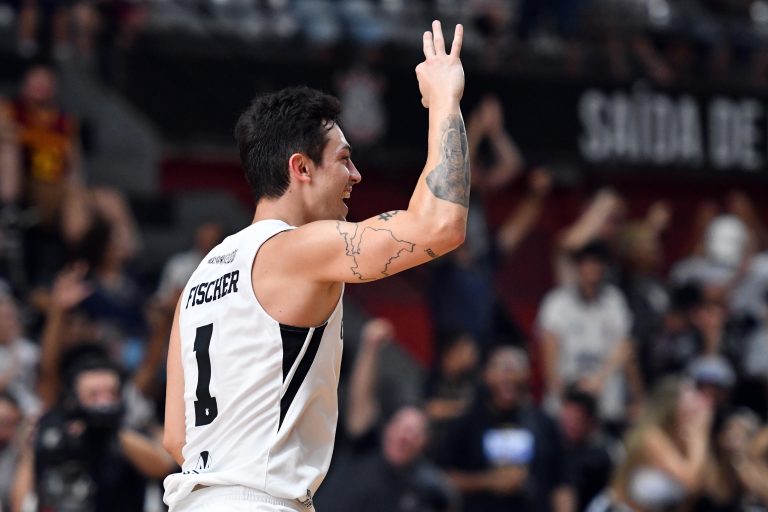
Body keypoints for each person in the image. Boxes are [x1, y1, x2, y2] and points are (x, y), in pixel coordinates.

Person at [162, 20, 470, 512]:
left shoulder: (199, 277)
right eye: (344, 160)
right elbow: (441, 226)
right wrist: (444, 101)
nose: (357, 175)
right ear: (301, 168)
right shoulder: (297, 250)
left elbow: (176, 437)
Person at [11, 352, 174, 512]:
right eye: (93, 395)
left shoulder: (130, 427)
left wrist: (111, 430)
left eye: (111, 393)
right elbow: (21, 503)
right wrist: (32, 449)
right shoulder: (56, 428)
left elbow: (162, 467)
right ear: (73, 397)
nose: (103, 403)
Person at [436, 346, 574, 512]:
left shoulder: (544, 424)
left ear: (527, 376)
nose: (508, 376)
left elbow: (562, 483)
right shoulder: (466, 424)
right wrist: (489, 481)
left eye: (515, 369)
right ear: (486, 375)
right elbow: (445, 479)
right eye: (501, 368)